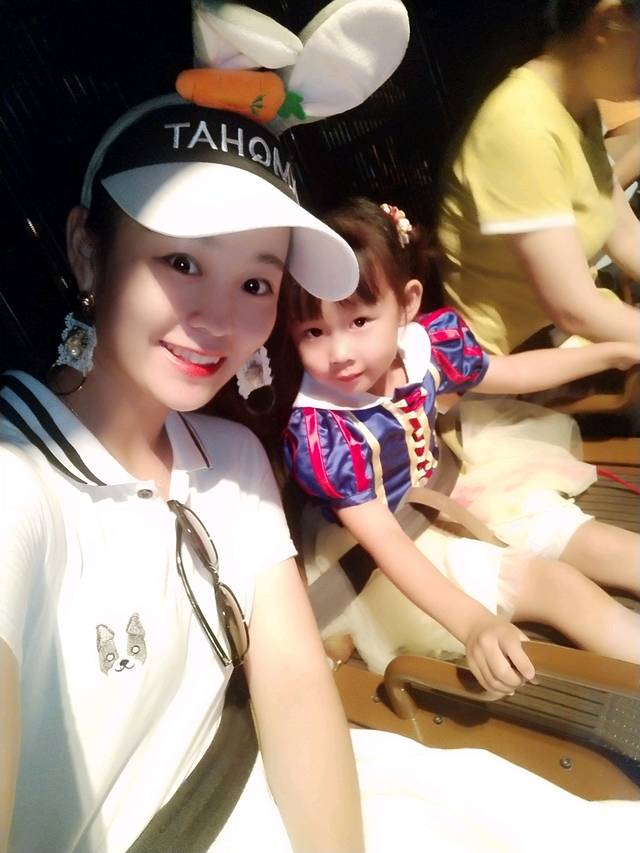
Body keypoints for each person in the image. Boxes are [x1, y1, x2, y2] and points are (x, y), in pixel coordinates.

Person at [282, 197, 640, 689]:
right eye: (313, 331)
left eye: (360, 321)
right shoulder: (323, 430)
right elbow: (384, 538)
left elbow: (510, 373)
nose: (340, 352)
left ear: (407, 303)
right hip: (393, 547)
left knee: (597, 542)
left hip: (457, 485)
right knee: (560, 588)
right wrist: (473, 623)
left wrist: (608, 354)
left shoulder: (424, 346)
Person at [438, 0, 640, 355]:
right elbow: (573, 309)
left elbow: (624, 235)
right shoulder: (520, 122)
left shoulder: (577, 106)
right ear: (608, 22)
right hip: (516, 362)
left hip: (564, 340)